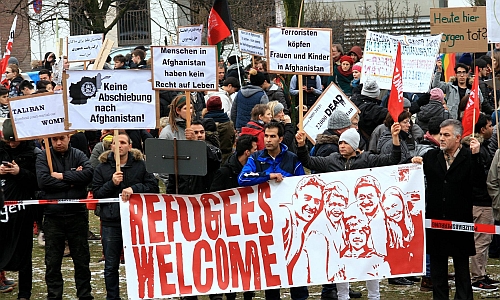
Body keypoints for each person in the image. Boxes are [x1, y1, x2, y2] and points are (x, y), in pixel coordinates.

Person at [411, 119, 484, 300]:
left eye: (446, 135)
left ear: (458, 138)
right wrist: (412, 163)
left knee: (462, 271)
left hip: (460, 222)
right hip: (435, 222)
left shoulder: (469, 157)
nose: (441, 138)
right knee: (438, 273)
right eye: (440, 135)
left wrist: (476, 157)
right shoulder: (430, 157)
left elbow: (479, 183)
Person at [238, 122, 308, 300]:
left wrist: (286, 181)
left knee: (295, 264)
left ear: (281, 138)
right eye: (266, 136)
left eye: (272, 136)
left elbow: (303, 185)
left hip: (290, 220)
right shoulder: (256, 158)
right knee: (272, 267)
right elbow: (243, 178)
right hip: (266, 222)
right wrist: (268, 177)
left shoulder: (291, 158)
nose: (268, 140)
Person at [93, 132, 159, 300]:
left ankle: (139, 295)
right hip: (111, 222)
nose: (120, 145)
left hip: (136, 222)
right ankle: (113, 297)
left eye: (123, 142)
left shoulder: (141, 166)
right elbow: (98, 195)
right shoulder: (101, 168)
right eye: (116, 143)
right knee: (111, 265)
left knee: (139, 263)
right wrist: (111, 183)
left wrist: (134, 189)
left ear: (130, 146)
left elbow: (153, 187)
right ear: (111, 146)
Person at [36, 134, 94, 300]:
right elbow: (43, 182)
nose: (59, 142)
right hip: (53, 216)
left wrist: (62, 176)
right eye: (54, 140)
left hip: (77, 215)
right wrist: (73, 178)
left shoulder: (79, 154)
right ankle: (54, 296)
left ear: (69, 137)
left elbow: (88, 175)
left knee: (82, 261)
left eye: (61, 138)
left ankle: (85, 295)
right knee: (52, 262)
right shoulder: (43, 157)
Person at [208, 134, 258, 300]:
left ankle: (248, 294)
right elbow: (213, 197)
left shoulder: (255, 169)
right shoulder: (225, 172)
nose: (258, 152)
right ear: (247, 152)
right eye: (255, 149)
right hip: (229, 225)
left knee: (248, 263)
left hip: (248, 224)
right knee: (231, 262)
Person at [0, 119, 41, 299]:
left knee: (25, 254)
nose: (12, 144)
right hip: (2, 212)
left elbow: (38, 182)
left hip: (23, 211)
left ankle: (25, 293)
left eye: (14, 140)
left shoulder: (33, 152)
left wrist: (19, 172)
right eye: (8, 141)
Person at [463, 113, 498, 290]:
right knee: (481, 240)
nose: (492, 128)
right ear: (482, 129)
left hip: (484, 201)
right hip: (480, 201)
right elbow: (479, 177)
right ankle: (477, 277)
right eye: (490, 125)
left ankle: (481, 273)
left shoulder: (483, 148)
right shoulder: (474, 150)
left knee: (486, 239)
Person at [166, 121, 221, 195]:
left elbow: (214, 161)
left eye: (202, 132)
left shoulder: (211, 148)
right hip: (184, 198)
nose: (199, 135)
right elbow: (173, 180)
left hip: (204, 197)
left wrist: (197, 144)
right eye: (195, 132)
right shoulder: (181, 153)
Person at [203, 95, 235, 163]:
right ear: (220, 106)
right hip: (226, 158)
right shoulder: (229, 124)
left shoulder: (202, 124)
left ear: (208, 107)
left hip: (208, 158)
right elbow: (232, 140)